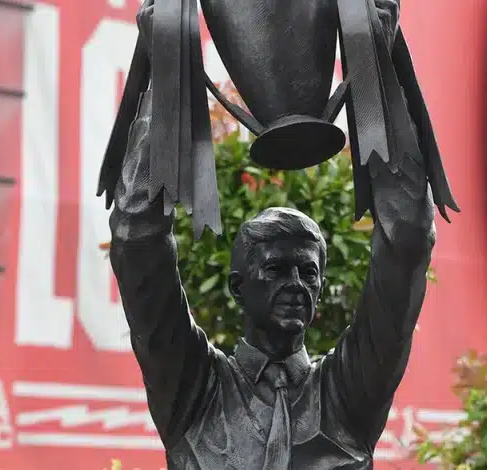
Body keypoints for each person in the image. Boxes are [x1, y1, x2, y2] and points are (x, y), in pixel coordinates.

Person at [109, 79, 436, 470]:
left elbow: (407, 239)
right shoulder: (194, 391)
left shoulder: (346, 395)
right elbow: (136, 241)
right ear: (238, 287)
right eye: (276, 270)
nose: (296, 285)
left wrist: (376, 70)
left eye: (308, 273)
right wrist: (169, 74)